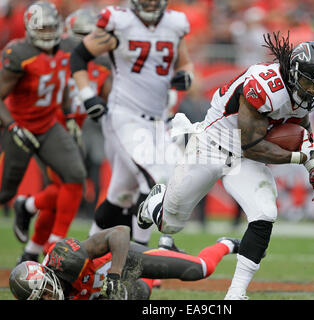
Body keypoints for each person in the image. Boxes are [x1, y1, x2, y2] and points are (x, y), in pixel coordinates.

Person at [137, 32, 314, 299]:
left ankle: (236, 293)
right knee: (169, 225)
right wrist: (298, 159)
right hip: (214, 145)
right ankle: (156, 203)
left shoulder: (297, 91)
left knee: (265, 213)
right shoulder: (265, 86)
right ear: (293, 72)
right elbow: (251, 144)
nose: (310, 92)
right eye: (308, 84)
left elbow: (302, 126)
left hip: (243, 158)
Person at [70, 0, 194, 246]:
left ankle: (84, 255)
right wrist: (87, 95)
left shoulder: (174, 24)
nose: (150, 4)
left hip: (157, 120)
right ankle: (139, 258)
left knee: (121, 194)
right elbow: (79, 56)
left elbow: (185, 63)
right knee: (159, 178)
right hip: (125, 116)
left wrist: (185, 76)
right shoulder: (120, 23)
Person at [12, 7, 113, 264]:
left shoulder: (103, 64)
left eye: (91, 35)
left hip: (74, 128)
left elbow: (105, 101)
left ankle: (32, 246)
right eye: (80, 34)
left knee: (61, 192)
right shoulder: (58, 57)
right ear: (66, 34)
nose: (85, 41)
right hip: (53, 128)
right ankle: (53, 242)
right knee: (73, 185)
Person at [0, 1, 86, 248]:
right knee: (5, 193)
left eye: (51, 28)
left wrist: (69, 116)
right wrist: (13, 126)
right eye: (42, 29)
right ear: (29, 28)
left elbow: (65, 86)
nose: (48, 33)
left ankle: (53, 244)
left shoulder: (68, 48)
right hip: (21, 127)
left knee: (75, 174)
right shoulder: (19, 54)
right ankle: (20, 205)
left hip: (49, 125)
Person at [9, 225, 240, 300]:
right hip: (101, 289)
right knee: (140, 294)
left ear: (48, 275)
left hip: (122, 261)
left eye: (46, 291)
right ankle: (166, 248)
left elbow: (120, 232)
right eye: (42, 298)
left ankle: (227, 243)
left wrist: (115, 275)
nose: (49, 296)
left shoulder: (66, 259)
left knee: (199, 269)